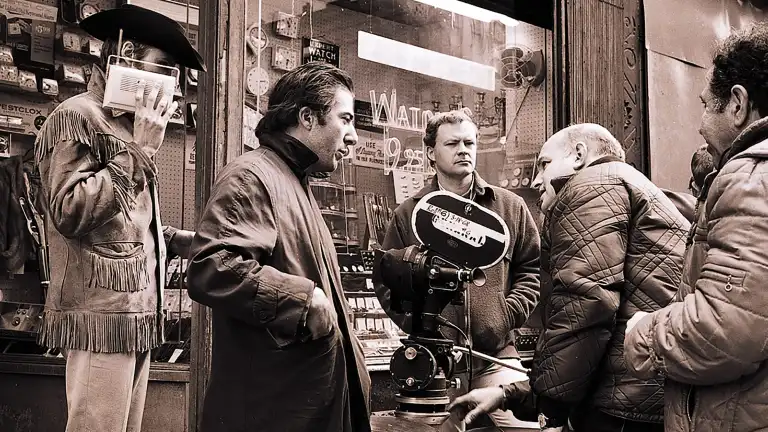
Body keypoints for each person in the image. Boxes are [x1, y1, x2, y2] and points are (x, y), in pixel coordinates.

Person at [448, 123, 689, 432]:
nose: (536, 180)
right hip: (644, 394)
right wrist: (515, 393)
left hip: (623, 406)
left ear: (578, 155)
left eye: (545, 164)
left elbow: (586, 300)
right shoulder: (628, 184)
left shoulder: (592, 185)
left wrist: (549, 403)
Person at [32, 5, 203, 432]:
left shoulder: (126, 125)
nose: (172, 85)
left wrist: (173, 239)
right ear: (125, 54)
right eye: (163, 68)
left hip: (135, 314)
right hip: (101, 316)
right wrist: (140, 154)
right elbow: (69, 211)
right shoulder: (76, 115)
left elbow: (120, 223)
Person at [186, 62, 370, 432]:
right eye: (345, 119)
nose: (352, 136)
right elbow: (214, 267)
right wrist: (302, 299)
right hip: (273, 412)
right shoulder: (253, 175)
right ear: (307, 117)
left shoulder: (293, 180)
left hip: (302, 406)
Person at [625, 22, 768, 432]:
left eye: (707, 105)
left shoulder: (749, 177)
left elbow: (727, 329)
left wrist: (644, 332)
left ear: (737, 103)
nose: (700, 123)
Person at [374, 109, 541, 431]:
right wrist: (419, 323)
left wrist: (505, 315)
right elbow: (386, 276)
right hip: (433, 362)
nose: (463, 150)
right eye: (452, 143)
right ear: (430, 153)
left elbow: (531, 269)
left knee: (528, 428)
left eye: (470, 142)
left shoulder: (510, 207)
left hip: (496, 357)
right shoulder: (409, 213)